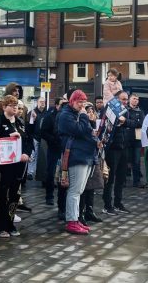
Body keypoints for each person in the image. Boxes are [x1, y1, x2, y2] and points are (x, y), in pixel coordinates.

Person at [0, 95, 32, 238]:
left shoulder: (20, 122)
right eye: (11, 105)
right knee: (2, 196)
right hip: (2, 167)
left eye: (16, 105)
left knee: (15, 196)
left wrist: (26, 153)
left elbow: (28, 140)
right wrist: (6, 137)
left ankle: (10, 223)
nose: (15, 107)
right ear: (4, 107)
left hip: (18, 165)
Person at [58, 90, 97, 234]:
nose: (81, 105)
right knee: (74, 190)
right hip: (76, 155)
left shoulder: (76, 114)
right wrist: (84, 117)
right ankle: (71, 221)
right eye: (79, 102)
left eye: (83, 102)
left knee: (79, 190)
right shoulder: (66, 115)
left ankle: (75, 219)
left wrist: (86, 119)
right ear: (72, 101)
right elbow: (80, 131)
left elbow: (87, 130)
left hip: (84, 155)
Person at [103, 91, 134, 215]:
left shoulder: (126, 111)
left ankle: (118, 203)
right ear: (116, 99)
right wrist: (116, 122)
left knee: (121, 178)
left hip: (124, 147)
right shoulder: (109, 109)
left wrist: (125, 122)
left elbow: (135, 123)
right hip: (112, 148)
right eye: (123, 99)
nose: (125, 102)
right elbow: (105, 125)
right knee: (110, 179)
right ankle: (107, 205)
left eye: (126, 99)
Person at [41, 98, 65, 206]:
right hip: (53, 148)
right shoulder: (49, 116)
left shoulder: (66, 116)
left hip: (63, 149)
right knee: (51, 172)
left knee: (63, 173)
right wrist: (53, 140)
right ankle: (49, 195)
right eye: (61, 104)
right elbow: (43, 132)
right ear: (56, 105)